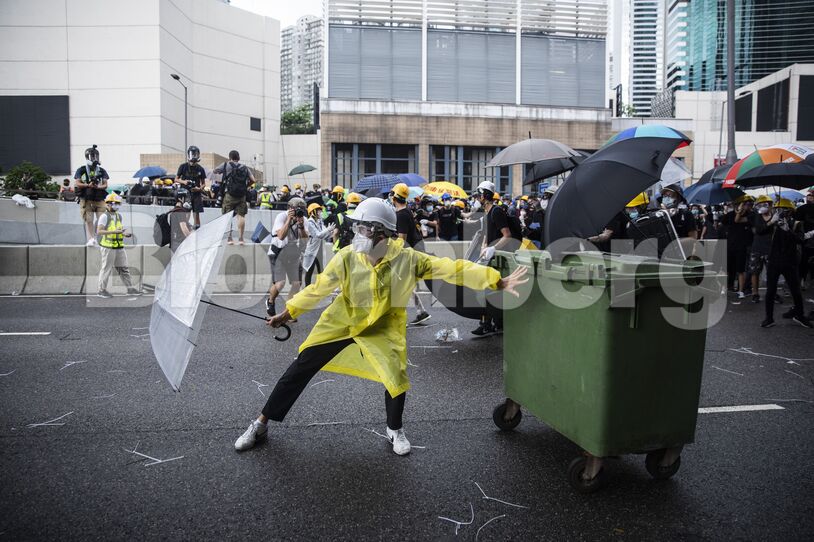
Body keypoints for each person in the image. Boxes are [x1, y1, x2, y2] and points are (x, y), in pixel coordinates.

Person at [234, 198, 529, 454]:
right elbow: (320, 288)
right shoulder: (349, 257)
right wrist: (288, 312)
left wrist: (495, 280)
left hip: (384, 326)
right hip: (342, 321)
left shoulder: (408, 259)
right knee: (301, 366)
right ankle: (260, 424)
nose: (356, 234)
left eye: (363, 229)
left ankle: (394, 429)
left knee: (395, 376)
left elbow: (452, 268)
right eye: (357, 228)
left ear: (381, 233)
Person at [472, 180, 522, 337]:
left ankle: (493, 323)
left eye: (479, 195)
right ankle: (488, 323)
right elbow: (488, 233)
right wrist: (484, 247)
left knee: (492, 290)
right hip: (490, 257)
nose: (477, 198)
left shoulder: (496, 211)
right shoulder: (488, 212)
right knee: (487, 290)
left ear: (485, 195)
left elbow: (507, 235)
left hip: (499, 257)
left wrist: (493, 248)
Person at [756, 198, 813, 328]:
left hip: (790, 261)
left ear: (790, 211)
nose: (779, 211)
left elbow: (800, 240)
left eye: (783, 209)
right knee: (770, 291)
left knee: (795, 290)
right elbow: (759, 231)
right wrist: (772, 222)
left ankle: (800, 315)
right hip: (774, 261)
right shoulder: (774, 223)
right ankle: (769, 318)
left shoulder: (797, 223)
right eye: (777, 209)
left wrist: (787, 229)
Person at [391, 183, 430, 325]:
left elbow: (402, 240)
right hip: (416, 250)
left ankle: (399, 317)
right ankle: (421, 311)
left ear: (394, 197)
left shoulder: (401, 215)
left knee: (400, 284)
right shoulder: (406, 211)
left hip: (410, 253)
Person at [265, 197, 307, 317]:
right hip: (277, 253)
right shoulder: (282, 217)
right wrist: (289, 220)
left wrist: (302, 226)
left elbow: (305, 240)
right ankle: (270, 301)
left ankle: (288, 311)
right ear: (290, 208)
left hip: (293, 254)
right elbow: (281, 236)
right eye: (297, 210)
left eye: (302, 210)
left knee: (296, 284)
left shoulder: (303, 219)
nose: (299, 213)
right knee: (280, 283)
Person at [96, 193, 140, 298]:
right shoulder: (104, 216)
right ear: (108, 204)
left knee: (124, 268)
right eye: (114, 203)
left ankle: (130, 289)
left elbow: (118, 230)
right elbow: (99, 231)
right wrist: (115, 232)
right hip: (108, 247)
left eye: (118, 203)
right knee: (106, 269)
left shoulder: (118, 216)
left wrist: (124, 234)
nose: (116, 205)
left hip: (119, 246)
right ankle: (101, 290)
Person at [214, 150, 255, 245]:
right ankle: (241, 239)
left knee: (227, 216)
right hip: (241, 195)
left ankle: (230, 239)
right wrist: (247, 186)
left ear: (230, 158)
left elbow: (215, 171)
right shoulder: (244, 167)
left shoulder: (226, 165)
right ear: (239, 158)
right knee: (241, 216)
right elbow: (253, 180)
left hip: (229, 194)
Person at [74, 145, 109, 246]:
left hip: (99, 197)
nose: (94, 158)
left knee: (102, 218)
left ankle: (101, 238)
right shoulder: (81, 170)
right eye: (92, 156)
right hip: (86, 198)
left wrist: (98, 186)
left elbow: (105, 185)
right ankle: (91, 239)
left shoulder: (101, 170)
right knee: (89, 219)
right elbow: (77, 183)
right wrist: (87, 185)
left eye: (95, 156)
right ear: (87, 157)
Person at [722, 195, 754, 299]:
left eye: (749, 204)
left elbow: (738, 220)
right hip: (730, 245)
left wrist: (740, 212)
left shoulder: (750, 215)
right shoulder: (729, 215)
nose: (748, 206)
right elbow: (723, 223)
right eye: (745, 204)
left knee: (740, 269)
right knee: (727, 268)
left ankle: (741, 290)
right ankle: (725, 288)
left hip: (742, 246)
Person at [302, 203, 335, 286]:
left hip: (319, 249)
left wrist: (331, 232)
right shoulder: (310, 222)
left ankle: (320, 289)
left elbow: (324, 235)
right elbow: (318, 235)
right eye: (319, 210)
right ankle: (307, 289)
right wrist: (328, 230)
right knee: (310, 270)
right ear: (313, 212)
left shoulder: (320, 221)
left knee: (321, 271)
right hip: (312, 250)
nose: (321, 212)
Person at [749, 195, 774, 304]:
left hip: (771, 248)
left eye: (766, 204)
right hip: (757, 248)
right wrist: (770, 223)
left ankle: (772, 293)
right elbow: (758, 230)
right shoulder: (756, 216)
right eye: (761, 204)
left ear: (771, 205)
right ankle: (755, 293)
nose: (764, 206)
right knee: (755, 272)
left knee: (772, 272)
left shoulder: (775, 216)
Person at [175, 145, 206, 229]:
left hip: (196, 193)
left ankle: (197, 230)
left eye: (196, 154)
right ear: (189, 155)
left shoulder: (200, 169)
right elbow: (176, 179)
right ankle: (185, 230)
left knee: (196, 214)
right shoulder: (183, 166)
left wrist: (199, 188)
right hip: (185, 193)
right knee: (186, 213)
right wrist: (184, 182)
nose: (194, 156)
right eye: (193, 154)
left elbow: (203, 184)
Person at [795, 188, 814, 289]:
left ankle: (807, 280)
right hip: (806, 239)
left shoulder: (801, 209)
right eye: (809, 195)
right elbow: (797, 223)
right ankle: (802, 280)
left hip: (807, 238)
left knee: (805, 261)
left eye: (811, 195)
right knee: (804, 261)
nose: (809, 197)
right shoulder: (801, 209)